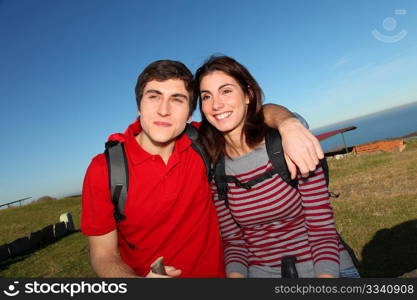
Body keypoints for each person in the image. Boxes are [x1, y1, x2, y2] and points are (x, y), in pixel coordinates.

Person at [81, 59, 325, 278]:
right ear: (138, 106)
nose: (163, 110)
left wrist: (288, 123)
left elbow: (247, 113)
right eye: (154, 96)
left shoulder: (201, 142)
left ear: (189, 113)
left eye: (177, 100)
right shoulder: (105, 170)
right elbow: (103, 255)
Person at [194, 55, 359, 278]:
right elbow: (234, 243)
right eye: (206, 96)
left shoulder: (288, 146)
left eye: (226, 91)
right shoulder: (216, 168)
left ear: (248, 95)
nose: (216, 104)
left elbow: (322, 231)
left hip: (324, 269)